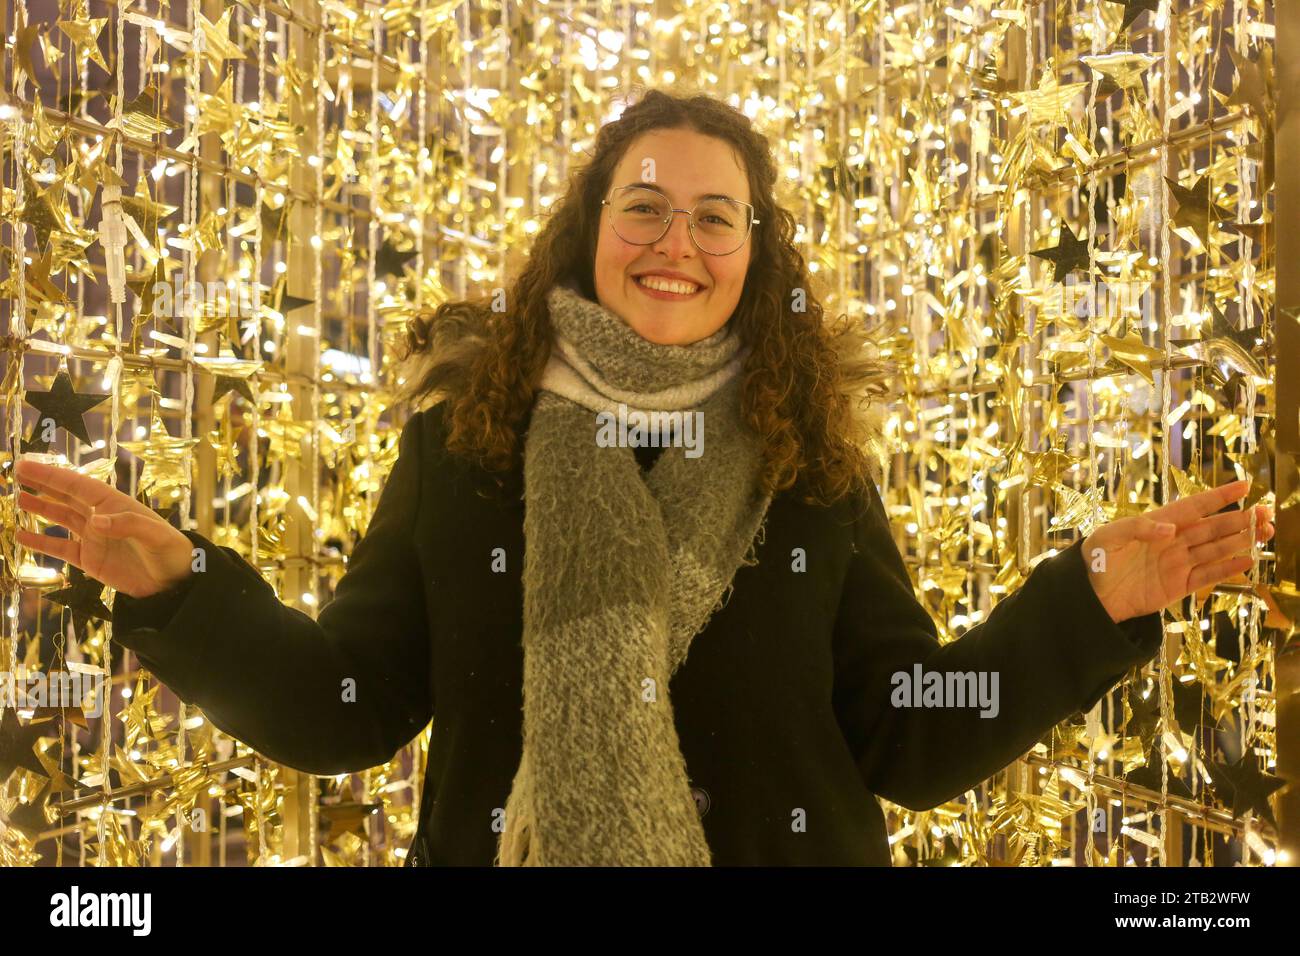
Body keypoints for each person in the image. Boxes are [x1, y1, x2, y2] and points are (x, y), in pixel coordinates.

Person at [13, 88, 1275, 866]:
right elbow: (346, 703)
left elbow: (901, 731)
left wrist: (1085, 601)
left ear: (752, 248)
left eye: (716, 215)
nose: (677, 242)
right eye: (646, 206)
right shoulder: (463, 454)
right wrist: (182, 591)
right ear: (591, 227)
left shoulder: (809, 463)